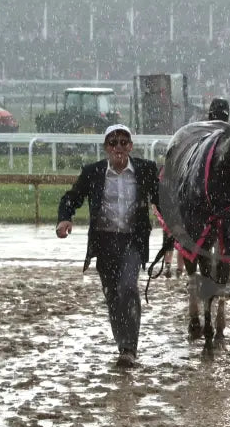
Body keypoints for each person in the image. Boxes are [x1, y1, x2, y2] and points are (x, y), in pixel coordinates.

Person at [56, 124, 161, 367]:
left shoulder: (145, 170)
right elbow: (72, 197)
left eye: (123, 142)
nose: (118, 148)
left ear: (131, 146)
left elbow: (160, 199)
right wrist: (65, 218)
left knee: (128, 288)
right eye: (113, 143)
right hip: (103, 243)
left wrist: (176, 225)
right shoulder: (93, 172)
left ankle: (129, 349)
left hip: (132, 242)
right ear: (106, 148)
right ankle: (122, 344)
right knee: (113, 296)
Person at [164, 97, 230, 277]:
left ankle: (189, 273)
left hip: (193, 197)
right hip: (223, 200)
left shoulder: (191, 132)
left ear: (210, 114)